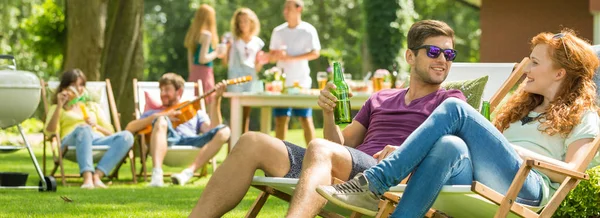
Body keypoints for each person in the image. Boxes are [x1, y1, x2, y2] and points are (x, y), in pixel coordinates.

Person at [189, 20, 464, 217]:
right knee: (251, 141)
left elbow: (447, 153)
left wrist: (404, 154)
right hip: (345, 169)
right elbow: (341, 144)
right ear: (410, 56)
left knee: (320, 148)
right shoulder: (380, 98)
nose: (443, 59)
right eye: (434, 51)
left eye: (449, 54)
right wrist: (328, 114)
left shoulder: (450, 102)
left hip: (383, 177)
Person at [317, 30, 600, 218]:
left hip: (529, 187)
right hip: (487, 175)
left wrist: (520, 154)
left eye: (535, 63)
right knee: (449, 144)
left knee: (455, 108)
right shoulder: (522, 107)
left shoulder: (584, 116)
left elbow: (572, 173)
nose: (525, 69)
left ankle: (375, 182)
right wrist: (410, 149)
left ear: (560, 73)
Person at [125, 73, 230, 187]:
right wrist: (163, 115)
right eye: (161, 90)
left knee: (225, 131)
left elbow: (212, 130)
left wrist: (216, 100)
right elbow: (130, 128)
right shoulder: (153, 113)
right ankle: (157, 176)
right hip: (168, 140)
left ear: (179, 91)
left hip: (191, 141)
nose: (162, 93)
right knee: (161, 121)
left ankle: (187, 173)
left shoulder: (194, 110)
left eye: (167, 90)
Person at [44, 69, 134, 189]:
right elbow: (49, 132)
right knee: (83, 129)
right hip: (70, 143)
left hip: (95, 140)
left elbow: (111, 133)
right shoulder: (57, 108)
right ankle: (87, 178)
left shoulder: (92, 107)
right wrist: (60, 105)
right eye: (73, 85)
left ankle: (96, 177)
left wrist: (96, 126)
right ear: (64, 87)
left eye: (81, 85)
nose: (78, 89)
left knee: (127, 136)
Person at [269, 0, 321, 144]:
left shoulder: (308, 30)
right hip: (281, 84)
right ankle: (279, 157)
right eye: (284, 8)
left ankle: (313, 153)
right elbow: (272, 55)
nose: (285, 11)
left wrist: (292, 58)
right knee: (280, 120)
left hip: (301, 82)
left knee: (305, 119)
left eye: (288, 8)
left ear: (299, 9)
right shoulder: (278, 31)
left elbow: (315, 53)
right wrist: (274, 55)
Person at [223, 7, 268, 133]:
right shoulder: (232, 39)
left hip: (250, 79)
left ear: (252, 23)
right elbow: (225, 62)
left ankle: (243, 147)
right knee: (234, 116)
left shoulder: (257, 42)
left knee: (245, 116)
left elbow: (257, 67)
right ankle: (231, 148)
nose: (242, 24)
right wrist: (225, 49)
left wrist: (261, 61)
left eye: (245, 21)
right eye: (240, 22)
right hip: (235, 79)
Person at [184, 4, 226, 102]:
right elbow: (202, 59)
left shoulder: (193, 35)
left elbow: (190, 60)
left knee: (194, 104)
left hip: (194, 73)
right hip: (204, 73)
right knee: (207, 103)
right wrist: (216, 52)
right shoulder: (207, 35)